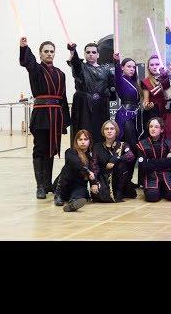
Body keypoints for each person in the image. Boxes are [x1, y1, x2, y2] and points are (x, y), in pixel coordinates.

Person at [20, 37, 71, 199]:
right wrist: (24, 47)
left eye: (51, 51)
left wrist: (65, 121)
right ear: (40, 54)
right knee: (40, 149)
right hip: (41, 114)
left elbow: (63, 98)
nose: (49, 54)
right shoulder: (36, 69)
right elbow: (27, 62)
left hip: (56, 115)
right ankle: (40, 186)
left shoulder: (61, 74)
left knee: (51, 149)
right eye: (46, 51)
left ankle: (48, 184)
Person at [67, 42, 116, 145]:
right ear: (84, 54)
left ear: (98, 55)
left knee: (100, 133)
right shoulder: (81, 67)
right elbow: (75, 63)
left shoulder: (106, 69)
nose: (91, 54)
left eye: (93, 52)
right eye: (88, 52)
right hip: (84, 106)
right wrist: (72, 50)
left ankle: (99, 153)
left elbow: (112, 87)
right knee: (83, 132)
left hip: (101, 107)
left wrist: (117, 62)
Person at [112, 52, 143, 195]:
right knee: (130, 148)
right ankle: (124, 181)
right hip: (125, 116)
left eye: (133, 67)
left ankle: (127, 180)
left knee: (132, 150)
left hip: (135, 116)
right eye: (129, 66)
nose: (132, 69)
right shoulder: (120, 79)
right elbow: (117, 74)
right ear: (123, 68)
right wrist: (116, 62)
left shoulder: (134, 82)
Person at [136, 117, 171, 202]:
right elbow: (144, 166)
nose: (153, 129)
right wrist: (165, 161)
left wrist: (150, 161)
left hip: (167, 173)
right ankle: (159, 190)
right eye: (151, 126)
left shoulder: (169, 144)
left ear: (162, 130)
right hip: (151, 174)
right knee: (152, 196)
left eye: (156, 127)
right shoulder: (141, 144)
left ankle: (162, 189)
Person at [52, 129, 97, 212]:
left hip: (78, 186)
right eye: (80, 139)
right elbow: (76, 164)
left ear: (89, 141)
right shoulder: (70, 151)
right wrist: (87, 172)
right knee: (68, 166)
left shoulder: (91, 156)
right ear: (76, 141)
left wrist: (94, 183)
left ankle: (73, 203)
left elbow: (94, 170)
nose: (83, 142)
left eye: (85, 139)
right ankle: (58, 194)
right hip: (65, 185)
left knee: (82, 191)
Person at [92, 120, 135, 202]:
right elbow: (94, 166)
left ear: (116, 131)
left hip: (120, 179)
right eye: (106, 129)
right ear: (103, 131)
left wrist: (116, 159)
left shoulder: (123, 145)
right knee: (99, 195)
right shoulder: (96, 147)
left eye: (112, 128)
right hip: (104, 178)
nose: (109, 131)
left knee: (121, 164)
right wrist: (94, 182)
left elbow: (130, 156)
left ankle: (119, 191)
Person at [141, 54, 166, 123]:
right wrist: (147, 106)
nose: (154, 67)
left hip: (167, 111)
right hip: (153, 112)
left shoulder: (167, 79)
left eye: (157, 64)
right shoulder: (146, 81)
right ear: (148, 67)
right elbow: (145, 101)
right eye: (152, 65)